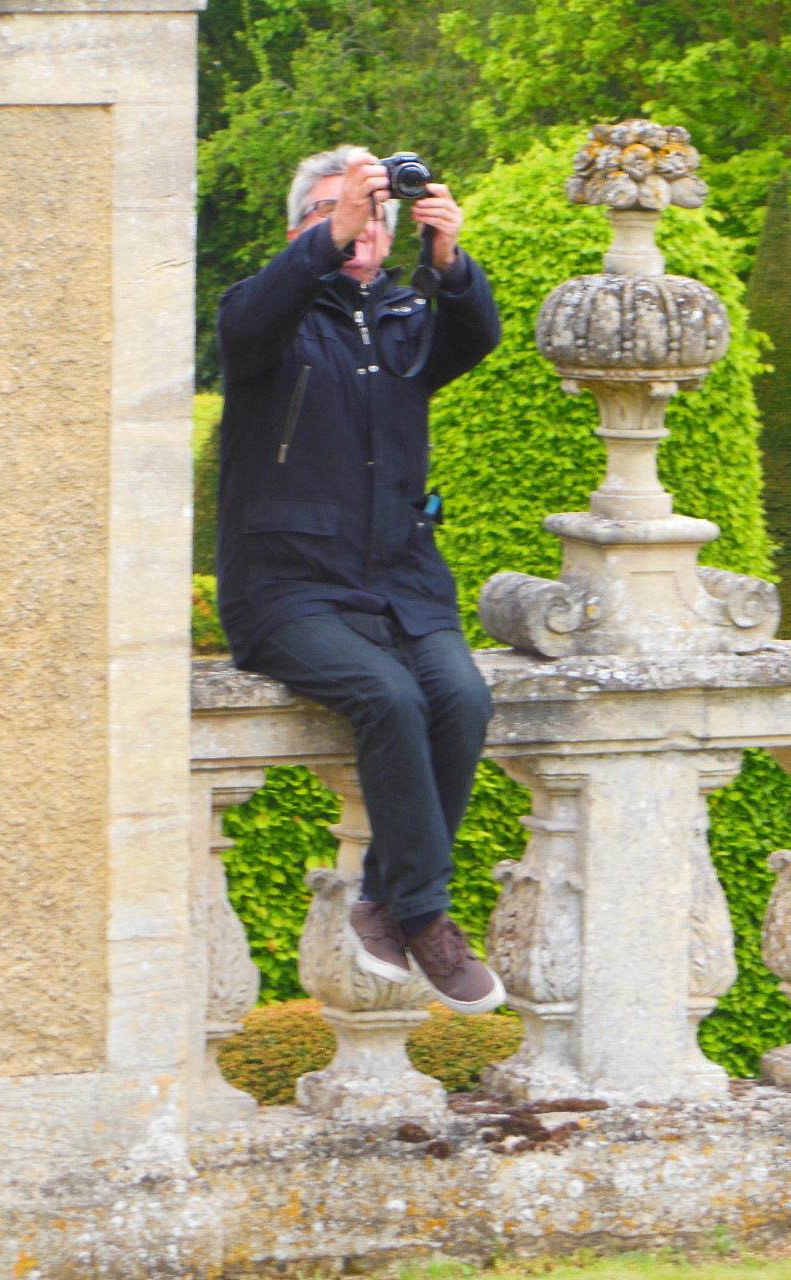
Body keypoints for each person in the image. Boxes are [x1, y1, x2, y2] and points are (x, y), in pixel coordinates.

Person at [215, 145, 503, 1013]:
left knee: (463, 697)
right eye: (337, 212)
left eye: (372, 214)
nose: (360, 228)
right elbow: (248, 326)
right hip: (286, 588)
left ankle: (384, 901)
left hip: (402, 582)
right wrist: (329, 239)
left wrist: (448, 258)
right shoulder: (268, 310)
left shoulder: (406, 318)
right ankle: (426, 916)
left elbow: (475, 337)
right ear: (301, 229)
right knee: (388, 696)